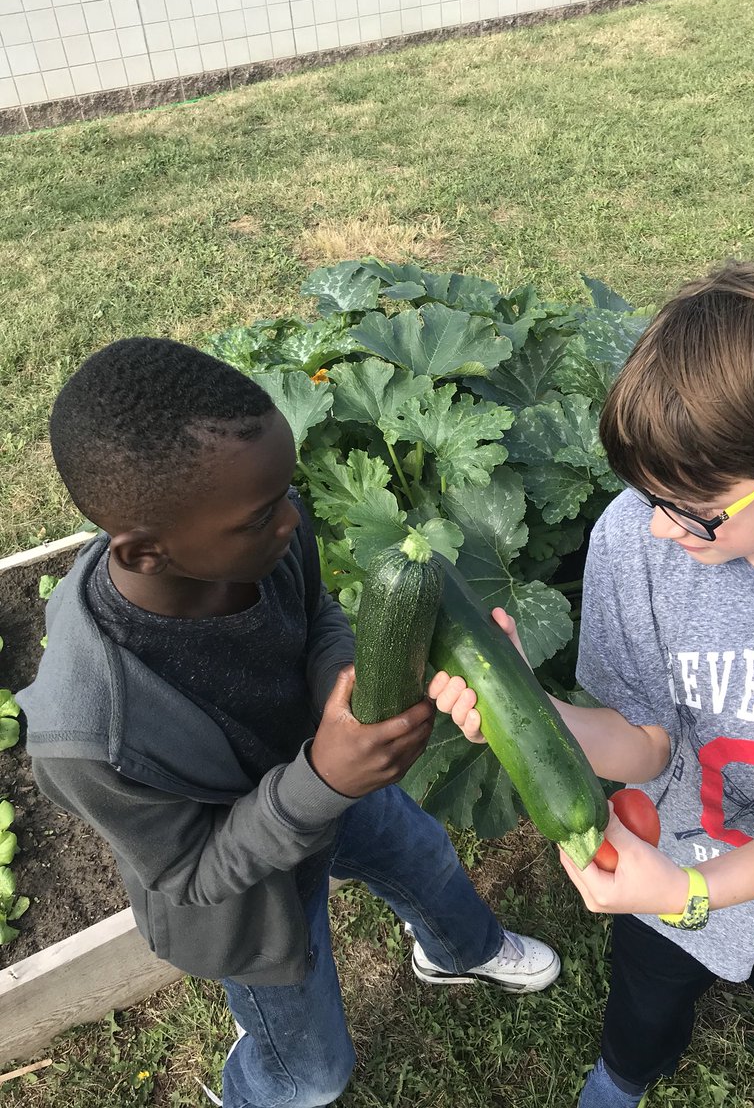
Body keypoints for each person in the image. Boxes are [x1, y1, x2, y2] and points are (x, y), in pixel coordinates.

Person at [17, 337, 560, 1108]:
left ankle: (459, 951)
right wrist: (322, 781)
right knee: (310, 1076)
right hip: (249, 894)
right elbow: (193, 876)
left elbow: (317, 619)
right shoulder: (86, 736)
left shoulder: (265, 531)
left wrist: (350, 679)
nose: (290, 519)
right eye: (264, 513)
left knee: (427, 859)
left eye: (287, 491)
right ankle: (255, 1086)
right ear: (145, 552)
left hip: (327, 771)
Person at [432, 258, 754, 1108]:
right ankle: (623, 1076)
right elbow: (642, 738)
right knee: (644, 1005)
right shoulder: (637, 535)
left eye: (691, 507)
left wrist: (694, 893)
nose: (657, 524)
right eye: (645, 492)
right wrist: (528, 714)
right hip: (663, 850)